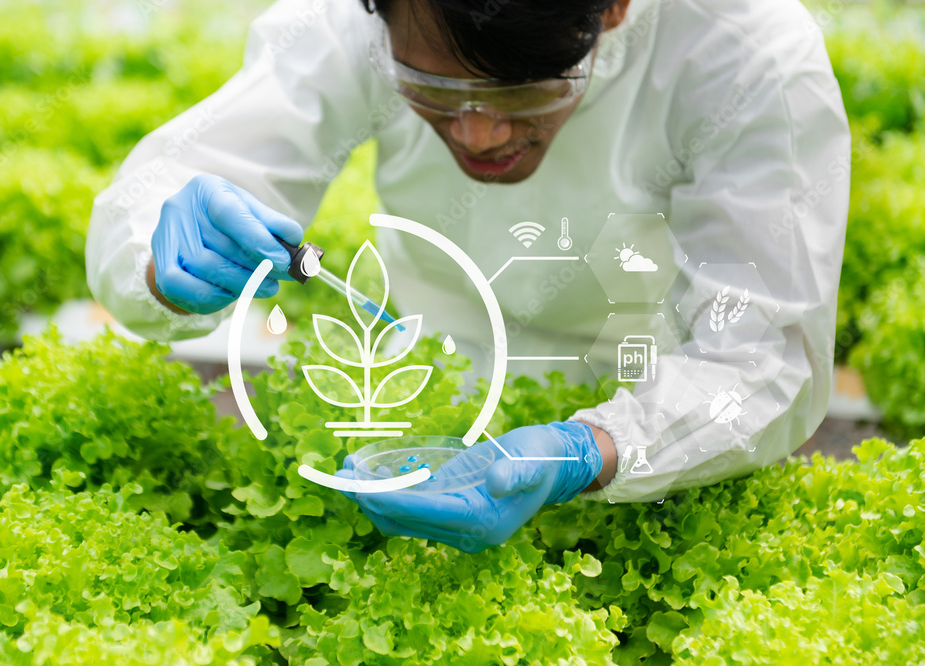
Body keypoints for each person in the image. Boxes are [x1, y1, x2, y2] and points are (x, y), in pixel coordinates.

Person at [86, 0, 850, 553]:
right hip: (435, 383)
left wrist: (589, 447)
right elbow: (175, 183)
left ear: (612, 11)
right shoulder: (359, 18)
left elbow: (763, 353)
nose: (480, 135)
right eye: (436, 93)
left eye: (526, 93)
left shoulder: (745, 50)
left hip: (658, 410)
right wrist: (161, 259)